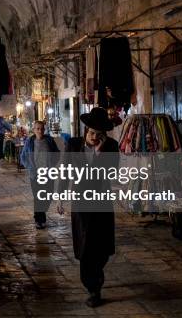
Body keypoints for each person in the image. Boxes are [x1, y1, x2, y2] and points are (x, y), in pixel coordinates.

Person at [60, 107, 118, 308]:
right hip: (81, 203)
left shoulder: (111, 147)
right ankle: (93, 288)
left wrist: (100, 155)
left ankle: (97, 277)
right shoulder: (73, 145)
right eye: (92, 133)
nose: (94, 137)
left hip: (102, 203)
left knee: (101, 248)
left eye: (99, 134)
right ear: (86, 130)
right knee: (85, 247)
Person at [20, 120, 60, 229]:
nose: (40, 131)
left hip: (48, 173)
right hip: (35, 175)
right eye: (37, 129)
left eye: (42, 128)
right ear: (34, 130)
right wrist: (30, 167)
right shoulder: (30, 141)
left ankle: (39, 214)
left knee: (48, 195)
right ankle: (39, 220)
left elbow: (57, 153)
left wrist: (53, 164)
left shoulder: (49, 140)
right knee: (39, 197)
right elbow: (23, 157)